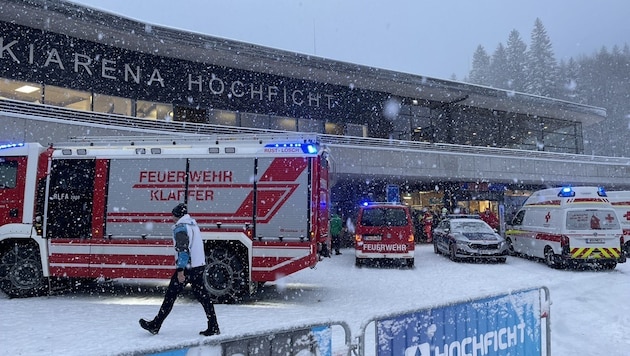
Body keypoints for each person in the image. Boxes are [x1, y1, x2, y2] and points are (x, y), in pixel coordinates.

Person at [139, 203, 220, 336]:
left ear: (177, 216)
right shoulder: (193, 225)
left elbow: (183, 251)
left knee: (170, 296)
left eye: (173, 215)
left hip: (188, 268)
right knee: (204, 297)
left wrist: (181, 270)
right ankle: (214, 325)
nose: (171, 218)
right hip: (198, 266)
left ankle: (155, 324)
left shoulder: (180, 228)